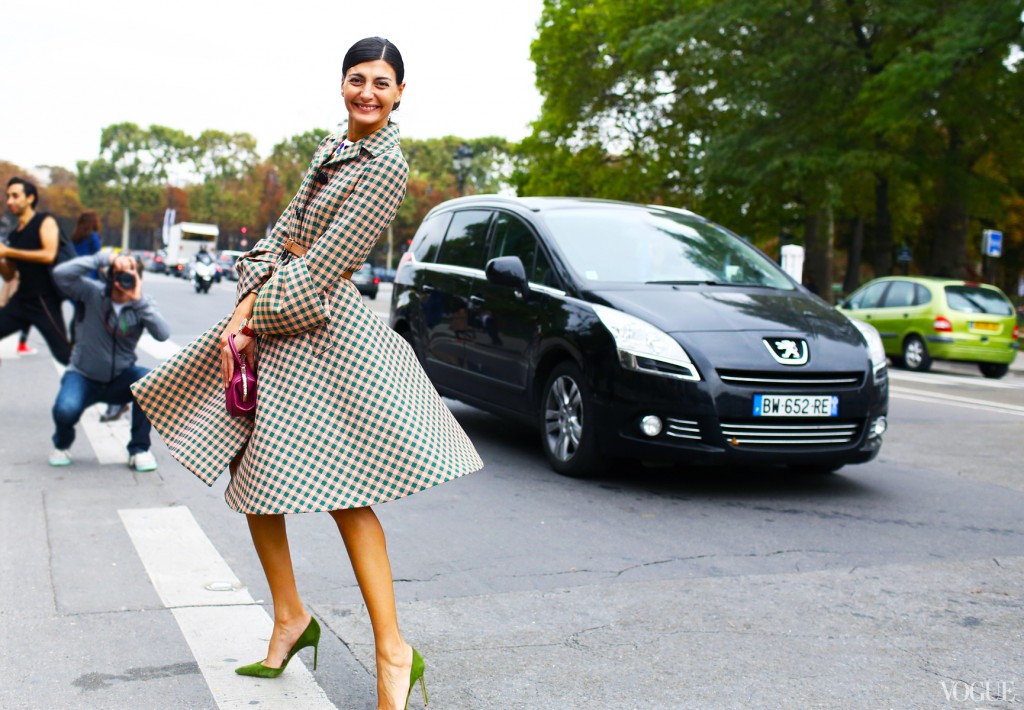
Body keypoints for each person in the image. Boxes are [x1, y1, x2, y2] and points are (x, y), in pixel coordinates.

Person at [132, 37, 483, 709]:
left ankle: (393, 653)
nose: (368, 93)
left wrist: (254, 310)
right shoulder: (332, 149)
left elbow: (328, 263)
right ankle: (290, 615)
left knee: (347, 495)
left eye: (382, 83)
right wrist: (249, 290)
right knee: (255, 480)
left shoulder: (385, 166)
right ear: (342, 84)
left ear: (401, 92)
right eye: (358, 80)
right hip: (275, 321)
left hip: (323, 335)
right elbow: (282, 228)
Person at [49, 252, 169, 471]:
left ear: (139, 276)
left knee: (149, 381)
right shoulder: (92, 293)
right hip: (83, 376)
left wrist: (138, 300)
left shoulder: (142, 303)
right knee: (65, 409)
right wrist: (104, 259)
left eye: (131, 270)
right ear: (111, 275)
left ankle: (139, 449)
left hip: (120, 378)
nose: (125, 276)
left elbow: (162, 334)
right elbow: (60, 274)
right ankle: (62, 443)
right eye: (121, 271)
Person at [0, 177, 71, 364]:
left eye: (15, 196)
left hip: (44, 302)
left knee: (66, 356)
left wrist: (8, 251)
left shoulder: (45, 221)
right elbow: (9, 276)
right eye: (8, 197)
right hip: (21, 300)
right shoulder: (14, 235)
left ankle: (103, 389)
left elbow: (49, 254)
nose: (9, 201)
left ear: (30, 198)